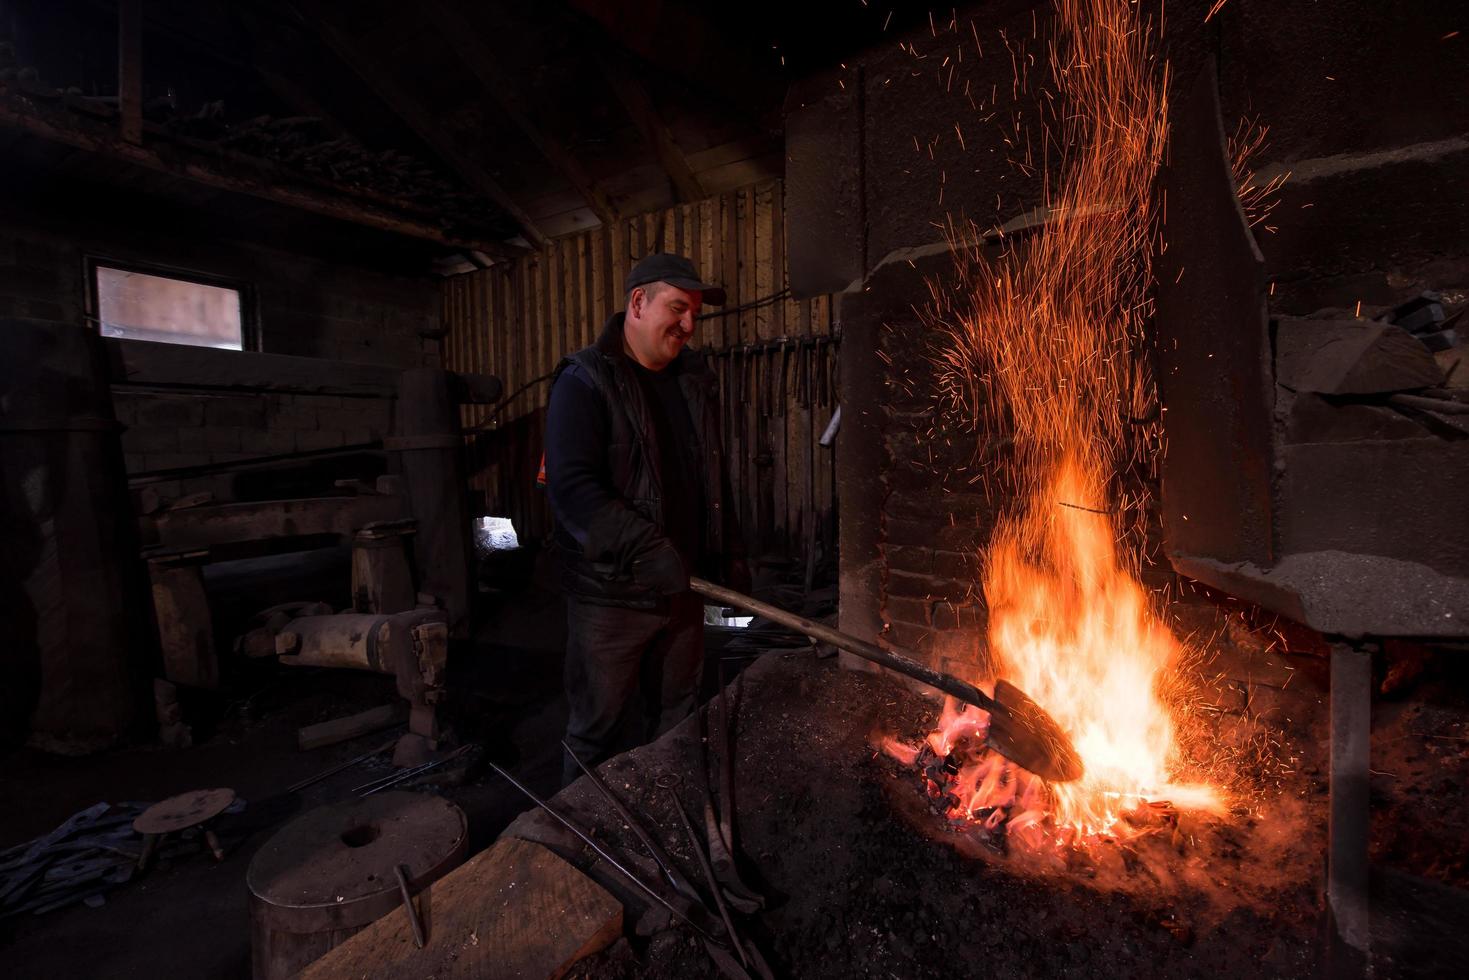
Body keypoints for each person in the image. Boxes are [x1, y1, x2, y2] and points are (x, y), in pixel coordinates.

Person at [544, 252, 748, 784]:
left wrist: (725, 553)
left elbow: (708, 480)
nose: (688, 325)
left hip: (683, 592)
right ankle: (582, 842)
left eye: (694, 314)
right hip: (611, 598)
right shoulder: (584, 380)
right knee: (598, 730)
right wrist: (646, 549)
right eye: (678, 308)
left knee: (677, 719)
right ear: (638, 302)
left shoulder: (692, 381)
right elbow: (572, 489)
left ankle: (663, 814)